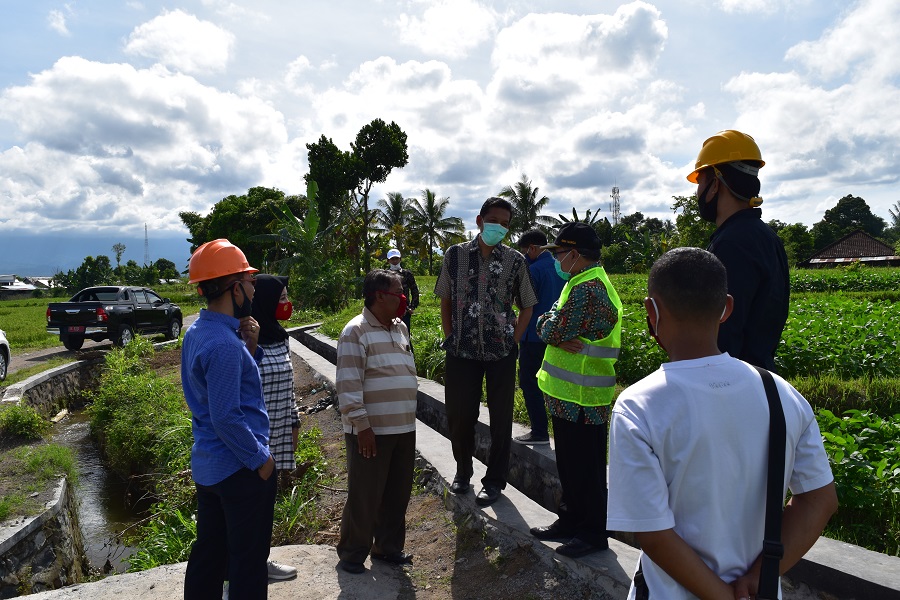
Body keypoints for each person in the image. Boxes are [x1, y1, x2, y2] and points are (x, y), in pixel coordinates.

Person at [607, 247, 837, 599]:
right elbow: (820, 500)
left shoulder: (640, 405)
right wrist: (757, 578)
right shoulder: (780, 392)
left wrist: (721, 595)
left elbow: (653, 532)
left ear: (651, 313)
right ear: (727, 308)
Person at [181, 239, 277, 600]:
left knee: (210, 553)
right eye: (249, 282)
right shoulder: (222, 343)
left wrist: (249, 348)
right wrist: (262, 461)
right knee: (248, 564)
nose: (254, 288)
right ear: (235, 289)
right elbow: (225, 416)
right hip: (239, 469)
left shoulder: (200, 332)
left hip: (210, 467)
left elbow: (219, 394)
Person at [435, 197, 537, 507]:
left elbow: (528, 305)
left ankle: (494, 481)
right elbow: (445, 299)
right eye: (494, 221)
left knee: (502, 418)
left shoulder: (515, 261)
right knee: (460, 414)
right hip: (461, 351)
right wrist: (450, 335)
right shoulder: (455, 256)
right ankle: (463, 472)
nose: (500, 227)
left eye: (506, 224)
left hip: (500, 353)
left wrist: (513, 340)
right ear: (480, 221)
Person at [528, 222, 621, 558]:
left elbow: (552, 327)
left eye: (560, 253)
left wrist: (549, 326)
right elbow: (548, 322)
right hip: (569, 395)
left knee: (586, 468)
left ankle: (593, 532)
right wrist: (549, 325)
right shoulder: (579, 282)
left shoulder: (589, 289)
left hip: (583, 396)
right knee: (569, 464)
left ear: (575, 255)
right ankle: (569, 520)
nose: (557, 260)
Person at [335, 269, 418, 575]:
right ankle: (353, 553)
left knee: (397, 493)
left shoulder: (400, 328)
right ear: (379, 296)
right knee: (365, 494)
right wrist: (363, 427)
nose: (404, 297)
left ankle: (387, 547)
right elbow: (348, 384)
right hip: (372, 431)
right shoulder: (354, 331)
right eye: (398, 291)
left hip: (403, 427)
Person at [688, 129, 790, 372]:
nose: (697, 192)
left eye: (700, 181)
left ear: (715, 183)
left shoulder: (733, 244)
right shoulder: (766, 237)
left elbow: (723, 335)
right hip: (758, 379)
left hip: (731, 385)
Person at [250, 274, 300, 581]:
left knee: (266, 502)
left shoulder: (281, 337)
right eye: (280, 298)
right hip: (254, 443)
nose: (286, 303)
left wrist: (295, 421)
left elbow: (290, 386)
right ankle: (250, 566)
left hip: (279, 436)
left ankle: (259, 561)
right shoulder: (247, 343)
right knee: (252, 504)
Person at [514, 229, 565, 445]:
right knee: (554, 386)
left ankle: (539, 432)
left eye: (525, 251)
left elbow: (525, 305)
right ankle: (559, 434)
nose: (524, 256)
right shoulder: (561, 268)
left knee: (529, 383)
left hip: (533, 337)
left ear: (533, 248)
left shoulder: (533, 270)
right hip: (556, 337)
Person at [386, 248, 420, 335]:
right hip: (390, 309)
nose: (394, 261)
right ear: (388, 260)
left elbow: (414, 290)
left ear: (400, 259)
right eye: (392, 259)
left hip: (405, 310)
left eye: (396, 258)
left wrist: (412, 307)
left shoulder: (407, 274)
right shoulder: (385, 275)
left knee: (405, 334)